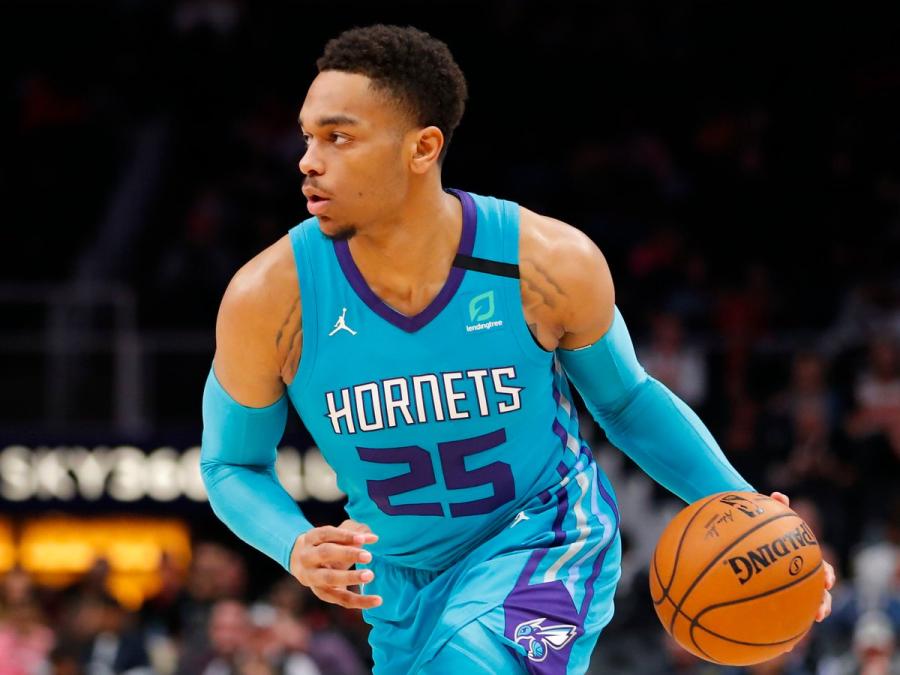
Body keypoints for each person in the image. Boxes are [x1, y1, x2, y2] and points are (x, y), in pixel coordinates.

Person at [200, 24, 834, 674]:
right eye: (308, 136)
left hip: (546, 538)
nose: (307, 160)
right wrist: (295, 544)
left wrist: (749, 507)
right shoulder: (268, 299)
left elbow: (627, 401)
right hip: (401, 586)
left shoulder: (545, 263)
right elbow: (229, 463)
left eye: (338, 137)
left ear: (422, 148)